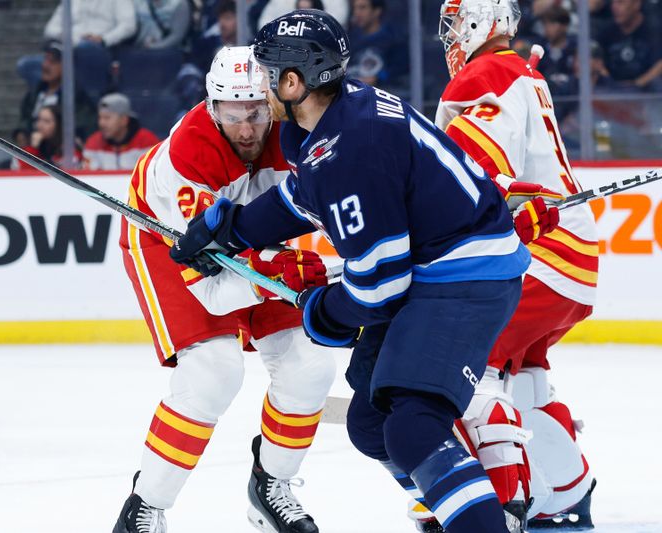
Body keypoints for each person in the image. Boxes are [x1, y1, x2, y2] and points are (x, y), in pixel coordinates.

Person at [171, 10, 536, 533]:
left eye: (267, 71)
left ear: (293, 82)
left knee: (412, 429)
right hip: (434, 269)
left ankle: (480, 521)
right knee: (372, 424)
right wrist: (231, 227)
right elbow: (302, 200)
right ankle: (459, 508)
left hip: (463, 278)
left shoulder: (353, 150)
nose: (259, 82)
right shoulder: (332, 117)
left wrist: (323, 313)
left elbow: (379, 284)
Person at [112, 46, 336, 533]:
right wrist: (283, 270)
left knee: (311, 365)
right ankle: (144, 507)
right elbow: (215, 290)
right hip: (168, 244)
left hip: (254, 240)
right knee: (213, 372)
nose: (247, 128)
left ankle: (270, 486)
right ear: (212, 108)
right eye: (233, 115)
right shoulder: (187, 156)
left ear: (274, 101)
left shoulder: (297, 131)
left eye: (256, 111)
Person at [402, 1, 599, 530]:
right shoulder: (520, 72)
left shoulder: (488, 73)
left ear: (477, 24)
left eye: (453, 25)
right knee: (527, 379)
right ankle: (567, 495)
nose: (448, 38)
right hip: (572, 258)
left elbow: (472, 172)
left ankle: (499, 508)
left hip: (540, 249)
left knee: (469, 367)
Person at [43, 0, 138, 102]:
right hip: (67, 46)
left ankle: (85, 105)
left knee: (85, 49)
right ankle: (47, 104)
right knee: (30, 64)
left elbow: (129, 26)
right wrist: (65, 35)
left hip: (100, 48)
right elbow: (50, 29)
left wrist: (104, 39)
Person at [17, 41, 97, 141]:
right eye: (46, 59)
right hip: (31, 150)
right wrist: (22, 133)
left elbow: (83, 128)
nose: (46, 65)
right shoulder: (35, 93)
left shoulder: (77, 97)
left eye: (53, 62)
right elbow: (24, 120)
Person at [83, 93, 160, 171]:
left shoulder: (147, 140)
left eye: (107, 118)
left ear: (124, 120)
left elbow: (153, 174)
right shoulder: (93, 142)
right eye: (100, 117)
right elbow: (89, 178)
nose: (101, 123)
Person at [597, 0, 662, 90]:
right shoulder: (605, 33)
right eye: (613, 2)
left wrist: (637, 84)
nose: (614, 7)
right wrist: (613, 84)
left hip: (647, 90)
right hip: (611, 91)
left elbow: (660, 64)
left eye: (620, 2)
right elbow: (597, 61)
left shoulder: (655, 31)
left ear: (636, 4)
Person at [13, 105, 82, 170]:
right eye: (39, 120)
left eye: (46, 121)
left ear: (59, 125)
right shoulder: (32, 146)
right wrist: (33, 148)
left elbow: (67, 174)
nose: (40, 125)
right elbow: (22, 174)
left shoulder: (70, 149)